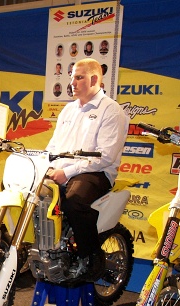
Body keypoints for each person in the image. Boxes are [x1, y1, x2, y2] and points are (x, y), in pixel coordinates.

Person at [45, 58, 129, 281]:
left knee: (74, 200)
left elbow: (105, 156)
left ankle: (91, 256)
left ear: (94, 79)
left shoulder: (111, 110)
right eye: (72, 77)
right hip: (63, 171)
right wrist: (47, 165)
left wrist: (67, 172)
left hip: (96, 173)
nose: (72, 82)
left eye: (78, 77)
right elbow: (53, 146)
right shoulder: (68, 110)